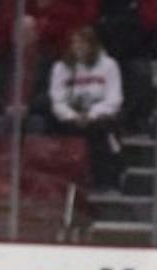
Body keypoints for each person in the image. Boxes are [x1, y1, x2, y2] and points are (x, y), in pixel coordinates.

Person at [47, 24, 122, 189]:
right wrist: (73, 116)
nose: (78, 47)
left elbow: (114, 99)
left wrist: (92, 114)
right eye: (74, 43)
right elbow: (57, 101)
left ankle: (105, 181)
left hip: (99, 117)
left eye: (82, 43)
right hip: (71, 118)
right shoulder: (60, 68)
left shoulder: (109, 66)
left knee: (100, 131)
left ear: (92, 45)